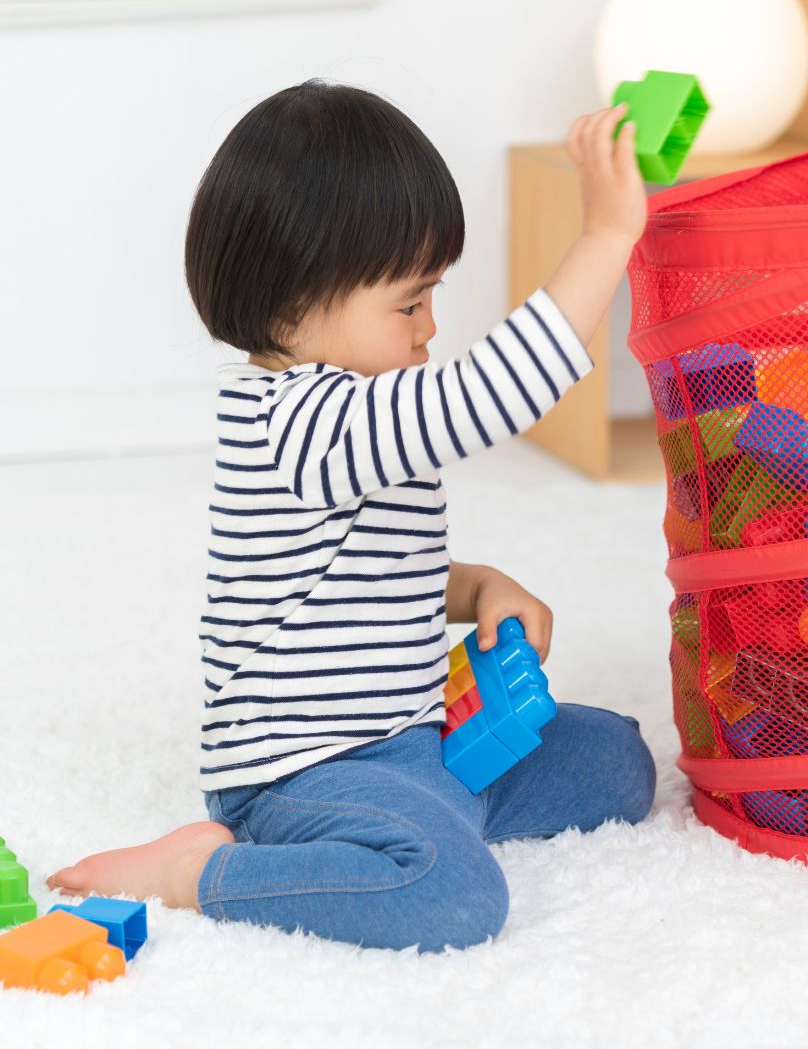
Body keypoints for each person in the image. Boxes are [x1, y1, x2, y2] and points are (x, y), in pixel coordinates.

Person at [47, 79, 656, 952]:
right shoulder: (307, 418)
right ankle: (203, 873)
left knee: (619, 764)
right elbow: (491, 395)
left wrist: (478, 585)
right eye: (410, 302)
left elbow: (358, 573)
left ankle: (430, 811)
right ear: (293, 307)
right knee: (452, 896)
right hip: (305, 771)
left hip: (413, 740)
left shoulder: (356, 408)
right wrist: (605, 236)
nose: (429, 327)